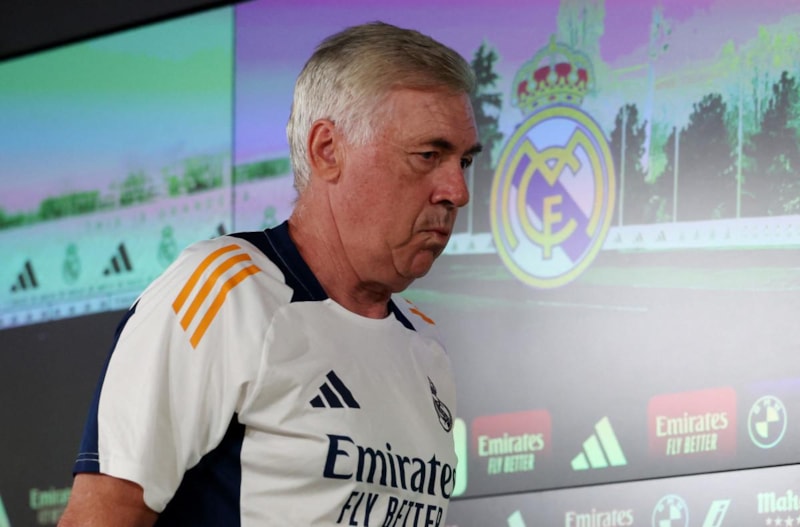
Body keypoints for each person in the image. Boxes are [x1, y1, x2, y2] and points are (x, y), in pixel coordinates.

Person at [59, 20, 481, 526]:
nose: (457, 192)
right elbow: (100, 517)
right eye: (428, 156)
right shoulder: (224, 291)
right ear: (327, 149)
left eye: (464, 162)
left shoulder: (425, 345)